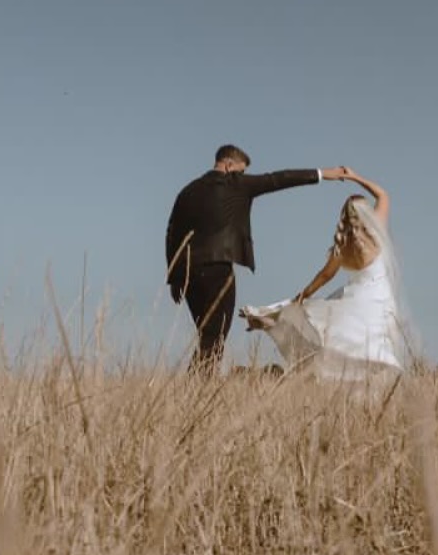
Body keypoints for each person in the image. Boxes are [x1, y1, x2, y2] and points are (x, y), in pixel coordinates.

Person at [165, 144, 347, 370]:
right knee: (215, 336)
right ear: (228, 165)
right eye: (241, 171)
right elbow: (279, 179)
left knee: (206, 334)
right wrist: (323, 174)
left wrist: (174, 276)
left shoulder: (188, 191)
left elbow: (172, 233)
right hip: (218, 269)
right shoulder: (237, 183)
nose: (243, 175)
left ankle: (197, 383)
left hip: (188, 272)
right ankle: (196, 384)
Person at [239, 168, 407, 380]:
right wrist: (354, 177)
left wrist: (303, 295)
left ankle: (272, 320)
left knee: (339, 340)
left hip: (356, 297)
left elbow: (325, 275)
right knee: (371, 346)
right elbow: (382, 194)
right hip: (378, 297)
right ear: (367, 213)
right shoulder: (377, 231)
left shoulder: (344, 245)